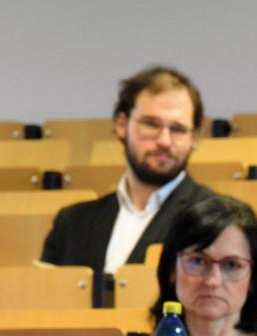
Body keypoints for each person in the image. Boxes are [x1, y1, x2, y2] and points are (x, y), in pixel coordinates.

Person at [40, 66, 217, 287]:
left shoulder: (217, 220)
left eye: (178, 129)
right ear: (122, 125)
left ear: (194, 138)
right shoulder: (71, 223)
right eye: (151, 124)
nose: (164, 141)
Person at [103, 193, 257, 336]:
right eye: (198, 261)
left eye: (231, 265)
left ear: (254, 278)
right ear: (171, 270)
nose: (213, 281)